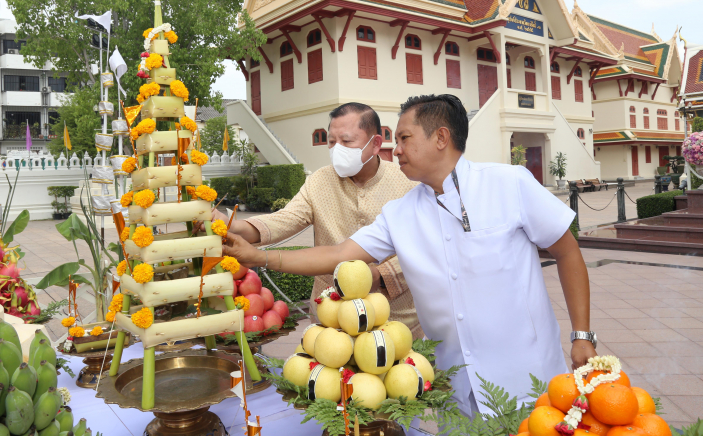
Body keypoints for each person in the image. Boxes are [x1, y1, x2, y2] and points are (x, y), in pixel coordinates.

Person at [224, 94, 596, 416]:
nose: (396, 149)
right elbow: (338, 254)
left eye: (404, 138)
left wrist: (582, 334)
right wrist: (259, 257)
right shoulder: (401, 212)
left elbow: (567, 252)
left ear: (441, 138)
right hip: (455, 381)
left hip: (528, 375)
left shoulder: (509, 183)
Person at [212, 102, 423, 337]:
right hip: (331, 315)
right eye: (331, 142)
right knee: (329, 357)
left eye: (347, 141)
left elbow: (421, 249)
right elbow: (285, 220)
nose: (337, 149)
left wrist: (379, 276)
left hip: (395, 318)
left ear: (375, 144)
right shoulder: (319, 180)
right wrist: (231, 225)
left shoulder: (408, 182)